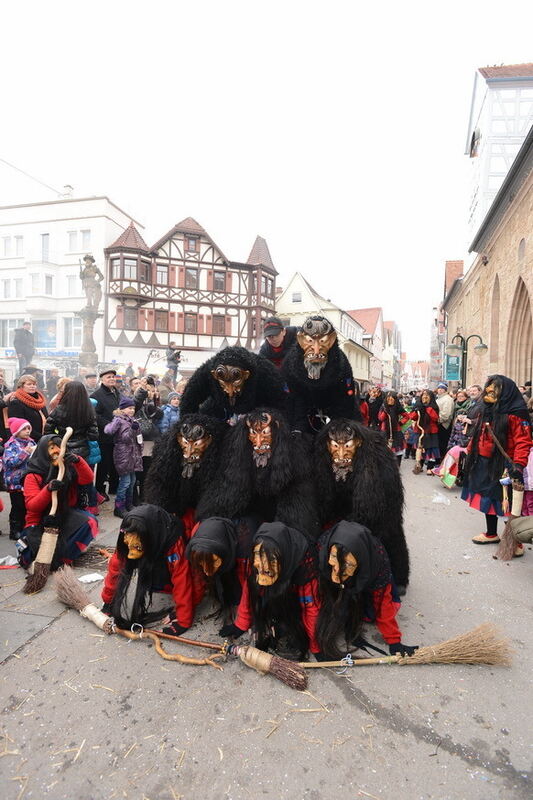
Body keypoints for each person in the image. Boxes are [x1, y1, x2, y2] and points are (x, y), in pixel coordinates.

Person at [314, 418, 410, 594]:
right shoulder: (321, 458)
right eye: (335, 447)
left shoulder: (377, 458)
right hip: (340, 506)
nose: (341, 454)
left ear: (358, 443)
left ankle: (395, 575)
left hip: (377, 508)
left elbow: (380, 508)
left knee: (388, 533)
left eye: (347, 447)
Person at [220, 522, 321, 661]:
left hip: (292, 600)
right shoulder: (257, 560)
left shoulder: (305, 566)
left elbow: (311, 607)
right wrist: (241, 623)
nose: (262, 566)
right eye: (258, 558)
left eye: (270, 563)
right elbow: (249, 590)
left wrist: (316, 646)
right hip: (274, 592)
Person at [316, 521, 417, 659]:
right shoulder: (322, 548)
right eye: (334, 560)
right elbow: (310, 599)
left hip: (364, 581)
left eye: (347, 564)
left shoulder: (377, 564)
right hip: (338, 582)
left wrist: (394, 641)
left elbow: (383, 603)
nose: (337, 572)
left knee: (366, 612)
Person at [101, 505, 195, 634]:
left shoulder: (173, 544)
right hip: (150, 546)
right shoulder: (127, 540)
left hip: (161, 547)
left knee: (169, 579)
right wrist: (108, 601)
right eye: (129, 546)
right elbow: (115, 570)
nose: (130, 554)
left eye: (137, 548)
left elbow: (182, 579)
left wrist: (183, 619)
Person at [461, 375, 531, 545]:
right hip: (484, 461)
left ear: (505, 391)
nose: (490, 390)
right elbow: (479, 433)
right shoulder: (487, 410)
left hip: (506, 464)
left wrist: (519, 464)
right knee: (489, 498)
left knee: (507, 502)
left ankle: (515, 541)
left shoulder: (516, 414)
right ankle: (492, 533)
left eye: (495, 387)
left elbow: (523, 441)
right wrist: (469, 451)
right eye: (489, 386)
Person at [19, 434, 98, 569]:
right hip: (39, 521)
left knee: (90, 522)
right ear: (43, 450)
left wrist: (78, 461)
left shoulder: (68, 468)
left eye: (59, 447)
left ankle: (62, 559)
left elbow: (87, 479)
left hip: (64, 514)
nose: (57, 451)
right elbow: (32, 506)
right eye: (51, 448)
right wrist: (48, 489)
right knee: (33, 554)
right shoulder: (33, 475)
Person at [281, 315, 360, 434]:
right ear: (301, 340)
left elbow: (345, 402)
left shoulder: (341, 365)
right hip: (301, 412)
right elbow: (290, 399)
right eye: (310, 341)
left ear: (332, 340)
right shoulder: (289, 365)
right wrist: (297, 429)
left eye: (322, 341)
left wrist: (339, 428)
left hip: (332, 408)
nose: (316, 350)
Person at [179, 346, 287, 423]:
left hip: (258, 405)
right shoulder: (206, 373)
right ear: (215, 375)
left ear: (246, 375)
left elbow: (280, 403)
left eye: (234, 382)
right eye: (224, 383)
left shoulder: (266, 372)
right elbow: (188, 402)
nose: (230, 390)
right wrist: (190, 425)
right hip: (218, 406)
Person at [104, 397, 143, 518]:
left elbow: (138, 438)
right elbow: (125, 438)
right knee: (125, 482)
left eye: (133, 408)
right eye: (129, 408)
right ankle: (119, 507)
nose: (132, 410)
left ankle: (128, 504)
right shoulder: (119, 420)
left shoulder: (131, 420)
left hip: (133, 454)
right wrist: (133, 429)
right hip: (123, 454)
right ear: (122, 409)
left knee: (131, 482)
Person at [44, 381, 99, 462]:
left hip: (62, 449)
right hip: (83, 451)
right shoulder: (88, 410)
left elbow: (48, 432)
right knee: (81, 472)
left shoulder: (59, 410)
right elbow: (93, 436)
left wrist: (58, 440)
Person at [2, 418, 35, 540]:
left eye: (28, 429)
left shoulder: (32, 443)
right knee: (17, 506)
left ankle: (25, 529)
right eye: (24, 429)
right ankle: (14, 530)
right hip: (15, 482)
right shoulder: (11, 445)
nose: (27, 431)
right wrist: (25, 453)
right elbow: (10, 462)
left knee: (27, 506)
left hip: (28, 480)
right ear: (16, 431)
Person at [91, 369, 121, 499]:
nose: (112, 379)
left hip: (118, 435)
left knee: (116, 462)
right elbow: (95, 416)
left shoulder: (117, 393)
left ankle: (114, 487)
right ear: (102, 380)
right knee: (104, 464)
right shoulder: (96, 395)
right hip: (104, 436)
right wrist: (109, 424)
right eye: (108, 377)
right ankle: (100, 489)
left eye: (113, 377)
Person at [7, 374, 49, 442]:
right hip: (27, 442)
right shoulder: (16, 403)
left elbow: (47, 420)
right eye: (29, 384)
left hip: (43, 440)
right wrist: (42, 438)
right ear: (21, 386)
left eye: (34, 384)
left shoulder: (40, 402)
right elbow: (19, 427)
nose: (32, 386)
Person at [408, 389, 440, 475]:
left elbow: (435, 418)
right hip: (420, 430)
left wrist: (428, 409)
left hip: (431, 431)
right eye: (423, 396)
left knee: (431, 450)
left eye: (427, 396)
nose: (425, 398)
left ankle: (430, 467)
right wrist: (417, 410)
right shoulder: (418, 406)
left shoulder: (434, 407)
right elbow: (412, 417)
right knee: (420, 449)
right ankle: (419, 465)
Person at [378, 390, 409, 464]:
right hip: (385, 430)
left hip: (396, 430)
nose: (390, 401)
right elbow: (380, 418)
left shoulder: (398, 407)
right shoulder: (383, 407)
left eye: (392, 399)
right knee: (385, 450)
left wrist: (401, 423)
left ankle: (397, 464)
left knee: (398, 449)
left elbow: (407, 416)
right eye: (388, 399)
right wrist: (386, 410)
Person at [435, 382, 454, 465]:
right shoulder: (439, 399)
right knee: (439, 444)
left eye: (442, 388)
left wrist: (437, 420)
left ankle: (442, 461)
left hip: (443, 425)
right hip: (438, 424)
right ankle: (438, 460)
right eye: (439, 388)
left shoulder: (447, 399)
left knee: (442, 444)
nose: (440, 390)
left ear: (445, 390)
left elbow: (446, 414)